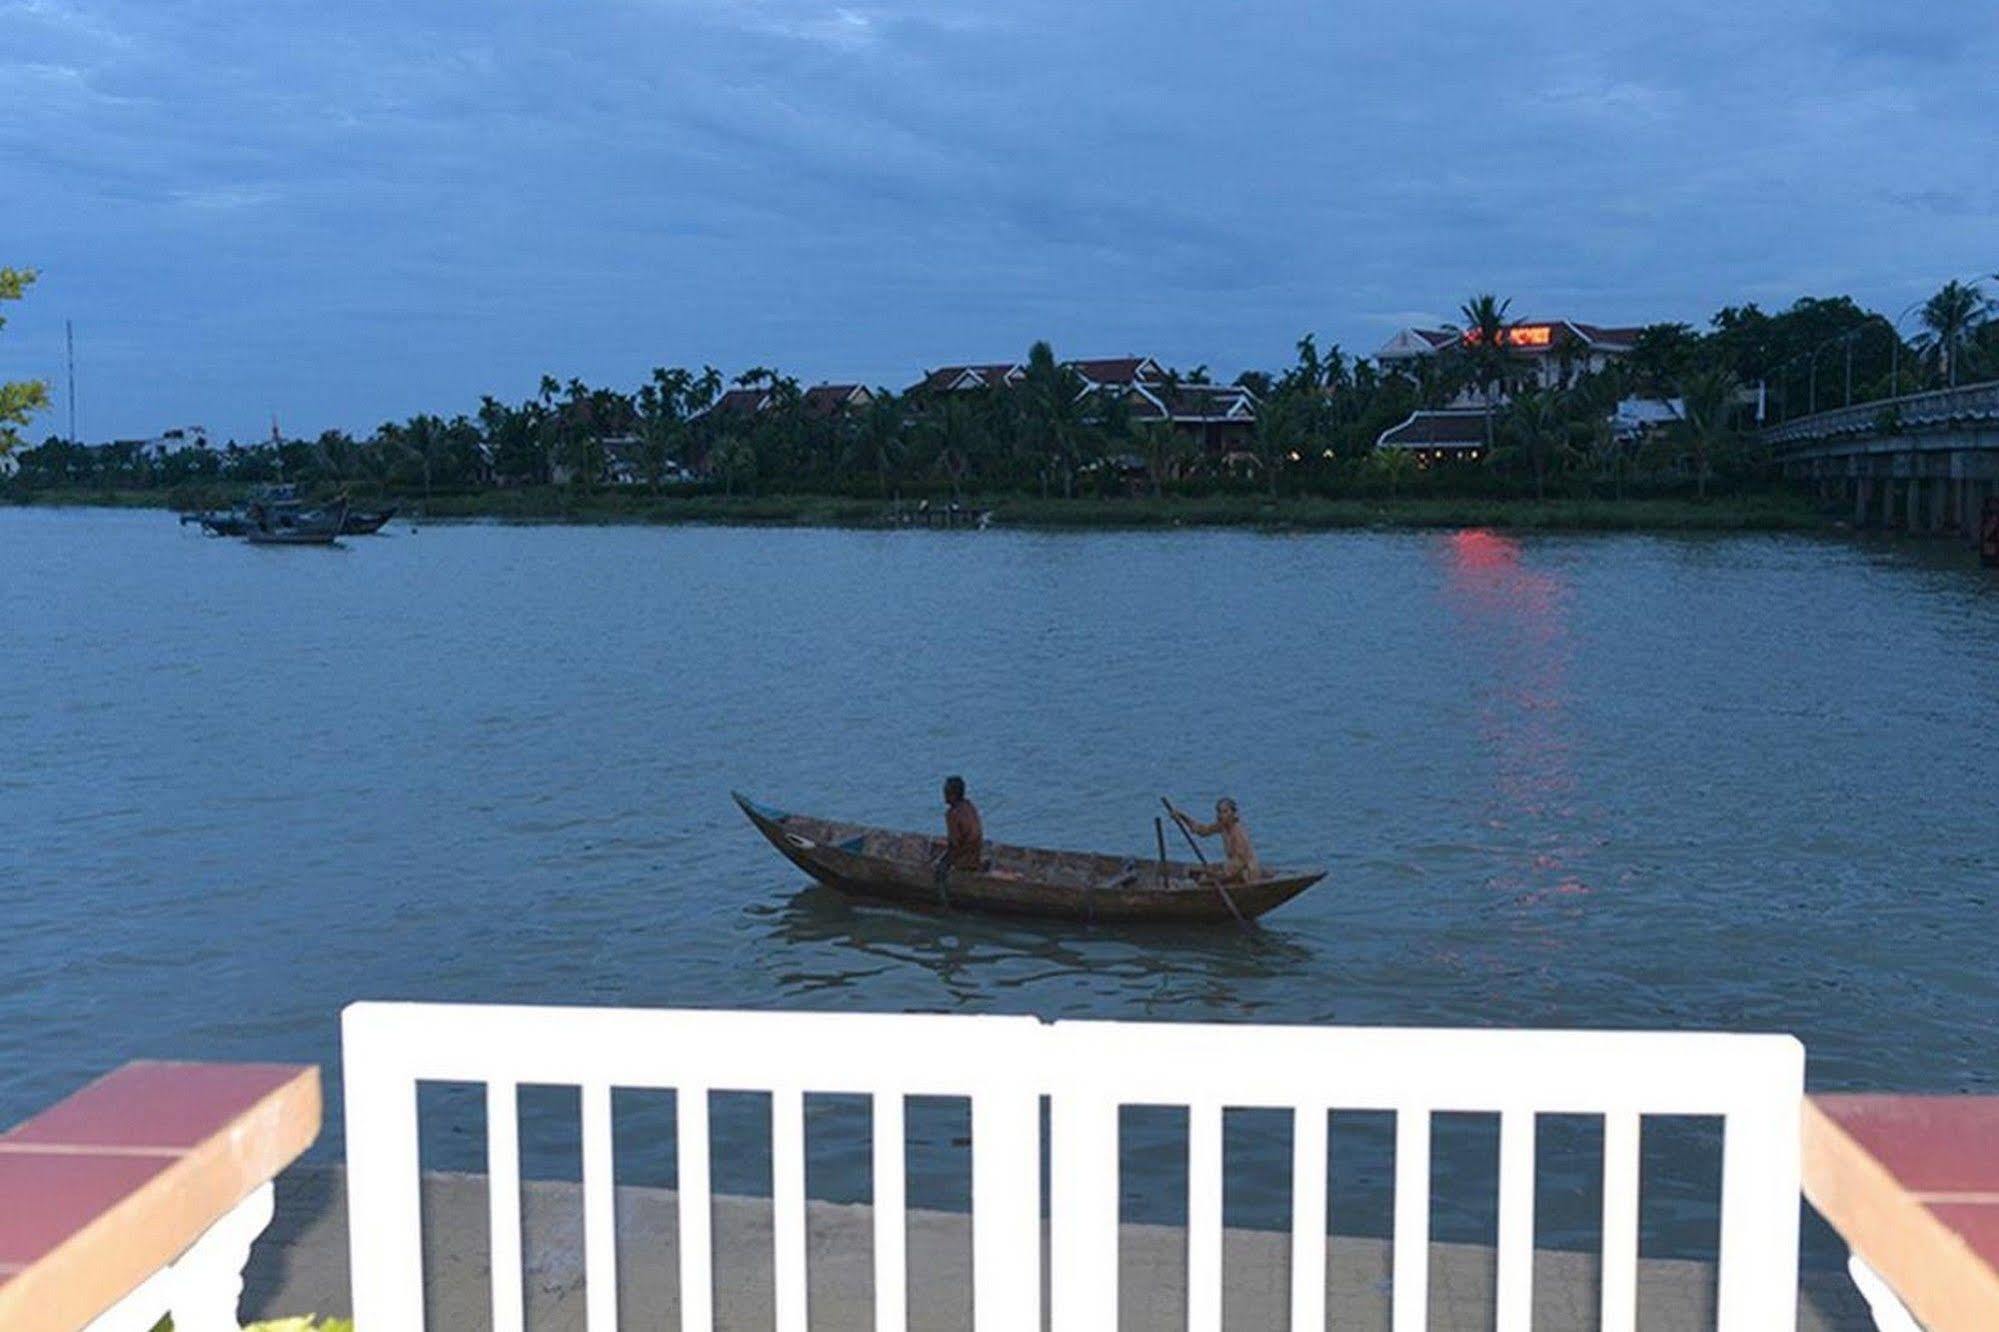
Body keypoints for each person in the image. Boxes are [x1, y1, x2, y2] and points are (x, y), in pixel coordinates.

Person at [1167, 796, 1261, 884]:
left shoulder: (1238, 833)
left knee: (1204, 879)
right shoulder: (1222, 827)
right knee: (1198, 874)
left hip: (1246, 875)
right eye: (1219, 812)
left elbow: (1240, 862)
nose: (1221, 815)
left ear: (1233, 813)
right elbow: (1202, 830)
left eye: (1225, 812)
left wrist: (1216, 874)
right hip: (1233, 870)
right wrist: (1183, 817)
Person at [937, 775, 984, 876]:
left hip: (964, 863)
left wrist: (944, 863)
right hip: (975, 858)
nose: (944, 794)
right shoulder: (969, 806)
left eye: (946, 792)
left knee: (940, 867)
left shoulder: (953, 813)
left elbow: (955, 845)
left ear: (953, 795)